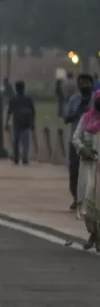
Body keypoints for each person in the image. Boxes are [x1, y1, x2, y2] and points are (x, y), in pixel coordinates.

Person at [71, 89, 100, 251]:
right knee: (87, 202)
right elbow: (76, 138)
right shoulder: (86, 119)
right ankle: (93, 232)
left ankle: (98, 236)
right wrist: (83, 149)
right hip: (88, 165)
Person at [64, 74, 94, 211]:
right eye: (82, 83)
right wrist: (77, 111)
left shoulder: (96, 99)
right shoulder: (74, 100)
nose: (84, 86)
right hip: (76, 141)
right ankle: (76, 198)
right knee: (75, 170)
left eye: (87, 83)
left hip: (93, 141)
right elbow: (66, 117)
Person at [5, 80, 36, 165]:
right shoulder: (28, 99)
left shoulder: (13, 100)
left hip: (17, 122)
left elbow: (9, 112)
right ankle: (25, 157)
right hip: (26, 123)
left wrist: (6, 123)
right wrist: (33, 123)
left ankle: (16, 157)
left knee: (15, 141)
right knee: (25, 141)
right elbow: (33, 112)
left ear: (16, 89)